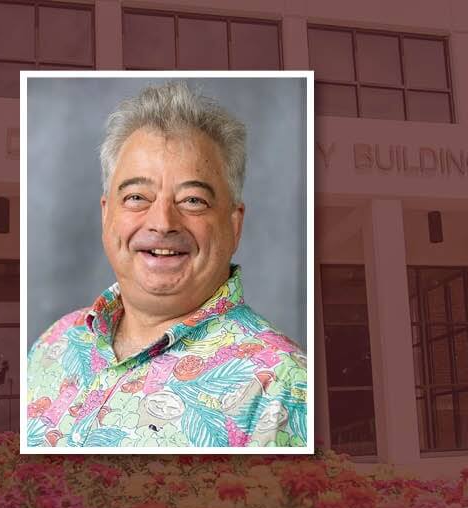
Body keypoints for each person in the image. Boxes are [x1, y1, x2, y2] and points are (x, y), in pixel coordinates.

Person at [26, 81, 307, 448]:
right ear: (106, 215)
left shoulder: (283, 384)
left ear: (234, 225)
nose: (162, 222)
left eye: (192, 200)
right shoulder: (55, 344)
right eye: (137, 197)